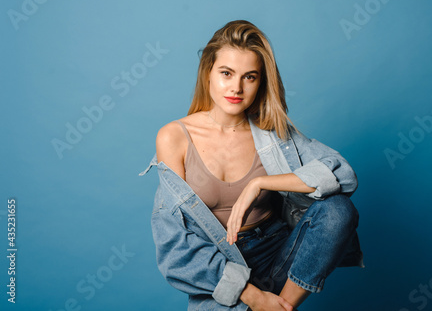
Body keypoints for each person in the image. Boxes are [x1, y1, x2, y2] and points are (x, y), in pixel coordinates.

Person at [139, 20, 363, 311]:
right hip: (222, 265)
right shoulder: (174, 137)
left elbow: (344, 176)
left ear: (260, 82)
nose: (236, 87)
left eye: (250, 77)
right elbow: (174, 244)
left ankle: (283, 306)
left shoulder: (272, 133)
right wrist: (254, 297)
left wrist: (260, 183)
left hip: (280, 254)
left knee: (338, 210)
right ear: (208, 74)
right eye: (226, 73)